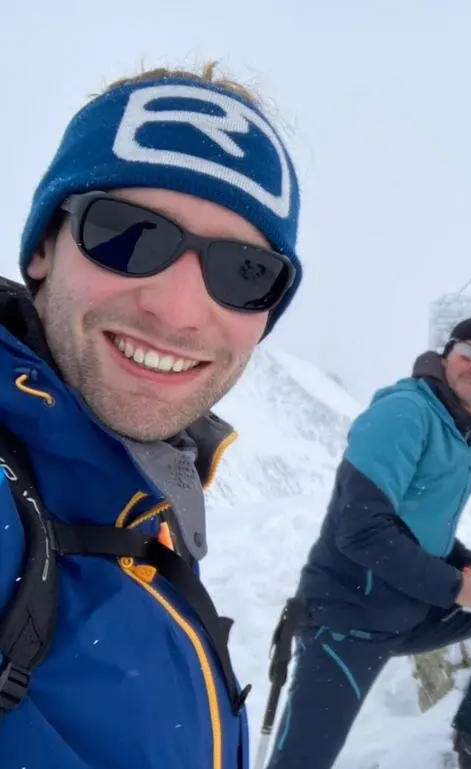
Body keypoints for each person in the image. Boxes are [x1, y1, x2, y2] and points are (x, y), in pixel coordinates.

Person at [0, 63, 303, 768]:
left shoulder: (138, 499)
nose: (175, 308)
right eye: (130, 234)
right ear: (44, 245)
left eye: (243, 273)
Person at [267, 313, 471, 769]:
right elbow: (360, 529)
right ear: (446, 358)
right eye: (467, 352)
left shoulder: (469, 435)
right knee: (303, 761)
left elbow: (428, 534)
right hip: (350, 618)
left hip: (413, 605)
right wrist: (458, 587)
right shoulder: (405, 412)